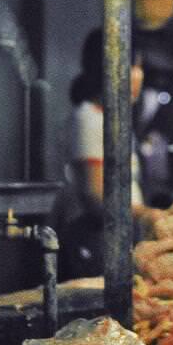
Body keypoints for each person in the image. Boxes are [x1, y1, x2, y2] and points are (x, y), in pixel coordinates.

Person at [59, 27, 145, 279]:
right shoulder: (88, 118)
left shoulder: (112, 120)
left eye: (138, 67)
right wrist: (148, 216)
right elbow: (94, 196)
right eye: (134, 66)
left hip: (116, 236)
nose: (139, 75)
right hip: (92, 240)